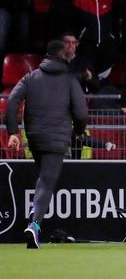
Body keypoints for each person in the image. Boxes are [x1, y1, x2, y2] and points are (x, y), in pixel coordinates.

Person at [5, 40, 88, 249]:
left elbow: (12, 101)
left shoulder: (31, 77)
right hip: (57, 138)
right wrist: (78, 132)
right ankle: (34, 225)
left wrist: (13, 132)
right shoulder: (70, 80)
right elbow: (81, 113)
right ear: (61, 56)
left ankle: (35, 217)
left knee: (44, 178)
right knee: (47, 181)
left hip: (34, 136)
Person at [72, 0, 115, 78]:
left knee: (104, 75)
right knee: (88, 74)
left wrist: (111, 37)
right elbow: (74, 22)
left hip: (105, 44)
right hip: (87, 44)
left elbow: (113, 22)